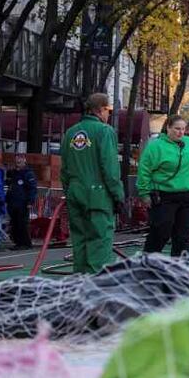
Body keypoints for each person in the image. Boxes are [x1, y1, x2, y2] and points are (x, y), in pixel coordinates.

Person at [60, 93, 125, 273]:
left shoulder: (71, 132)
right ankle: (97, 288)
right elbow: (110, 168)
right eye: (108, 110)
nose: (108, 115)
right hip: (99, 195)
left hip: (75, 193)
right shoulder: (104, 131)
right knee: (100, 243)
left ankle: (79, 285)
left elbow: (64, 169)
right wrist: (118, 196)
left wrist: (70, 190)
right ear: (101, 109)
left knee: (79, 242)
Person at [138, 114, 189, 256]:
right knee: (161, 232)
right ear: (168, 128)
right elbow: (144, 170)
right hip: (165, 196)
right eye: (177, 129)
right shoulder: (156, 147)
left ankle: (179, 266)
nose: (181, 132)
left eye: (183, 129)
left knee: (183, 236)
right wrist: (144, 193)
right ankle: (148, 261)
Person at [5, 154, 37, 250]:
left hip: (23, 203)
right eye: (16, 160)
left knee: (22, 223)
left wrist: (30, 202)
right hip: (13, 203)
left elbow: (32, 189)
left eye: (20, 160)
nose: (18, 162)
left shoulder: (28, 173)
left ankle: (25, 243)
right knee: (14, 223)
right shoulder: (13, 173)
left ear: (24, 160)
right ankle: (18, 242)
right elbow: (10, 186)